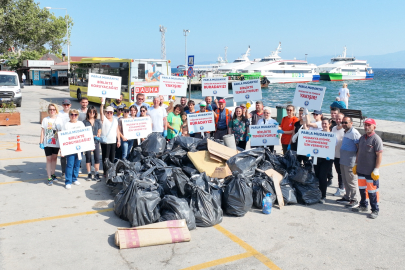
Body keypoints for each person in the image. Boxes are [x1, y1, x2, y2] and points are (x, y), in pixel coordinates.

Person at [352, 118, 383, 219]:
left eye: (369, 125)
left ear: (374, 126)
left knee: (372, 192)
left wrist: (376, 169)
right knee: (362, 190)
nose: (366, 127)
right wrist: (356, 164)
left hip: (371, 171)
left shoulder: (376, 139)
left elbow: (379, 155)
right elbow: (359, 152)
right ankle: (363, 205)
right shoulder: (362, 138)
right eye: (365, 125)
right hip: (361, 170)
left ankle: (375, 209)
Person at [336, 116, 361, 208]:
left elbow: (359, 148)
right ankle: (347, 197)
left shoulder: (354, 133)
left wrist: (357, 161)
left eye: (346, 122)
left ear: (351, 123)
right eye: (343, 122)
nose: (344, 124)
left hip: (350, 161)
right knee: (345, 180)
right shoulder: (345, 132)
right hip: (343, 160)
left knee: (351, 181)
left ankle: (354, 199)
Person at [39, 103, 63, 186]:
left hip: (56, 143)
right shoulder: (45, 119)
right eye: (50, 109)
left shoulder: (59, 120)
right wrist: (41, 142)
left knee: (54, 158)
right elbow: (43, 131)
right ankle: (49, 177)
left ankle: (53, 174)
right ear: (48, 110)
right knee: (48, 159)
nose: (52, 111)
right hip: (47, 143)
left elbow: (61, 132)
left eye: (53, 109)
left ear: (56, 110)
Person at [63, 109, 85, 189]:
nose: (73, 116)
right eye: (72, 114)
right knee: (70, 165)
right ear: (69, 115)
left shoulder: (81, 123)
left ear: (78, 116)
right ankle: (68, 181)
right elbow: (63, 138)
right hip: (70, 148)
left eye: (75, 115)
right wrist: (62, 149)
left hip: (79, 148)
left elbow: (84, 135)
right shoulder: (66, 125)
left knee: (77, 164)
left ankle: (74, 178)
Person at [314, 118, 334, 204]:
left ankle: (323, 195)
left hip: (327, 159)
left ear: (329, 124)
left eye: (326, 123)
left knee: (323, 176)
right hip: (317, 157)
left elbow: (334, 146)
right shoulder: (318, 133)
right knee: (317, 175)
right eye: (323, 123)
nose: (324, 125)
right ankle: (317, 193)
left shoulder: (333, 135)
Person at [100, 98, 121, 177]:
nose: (109, 114)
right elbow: (101, 112)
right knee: (105, 157)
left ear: (113, 113)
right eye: (108, 112)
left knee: (112, 157)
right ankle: (105, 172)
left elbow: (117, 131)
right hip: (105, 142)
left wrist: (118, 140)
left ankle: (111, 171)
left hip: (113, 141)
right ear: (105, 113)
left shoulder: (115, 120)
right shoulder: (104, 119)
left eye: (111, 112)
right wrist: (102, 103)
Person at [82, 106, 102, 181]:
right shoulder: (84, 122)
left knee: (97, 158)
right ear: (88, 113)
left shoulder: (97, 121)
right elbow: (83, 133)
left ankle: (96, 173)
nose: (92, 113)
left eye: (93, 112)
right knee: (88, 158)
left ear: (95, 113)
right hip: (87, 143)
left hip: (96, 142)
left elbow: (99, 130)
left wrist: (98, 134)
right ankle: (89, 174)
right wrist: (91, 136)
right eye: (90, 112)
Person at [331, 112, 345, 196]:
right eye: (336, 118)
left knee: (341, 173)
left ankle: (341, 188)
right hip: (335, 154)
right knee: (338, 172)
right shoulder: (334, 128)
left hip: (343, 155)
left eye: (340, 119)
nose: (338, 120)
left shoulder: (345, 130)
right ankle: (342, 187)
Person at [58, 99, 72, 178]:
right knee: (63, 155)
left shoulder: (73, 112)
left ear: (70, 105)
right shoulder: (59, 113)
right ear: (62, 105)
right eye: (64, 105)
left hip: (71, 136)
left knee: (72, 154)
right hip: (62, 135)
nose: (66, 106)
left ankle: (71, 171)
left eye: (68, 105)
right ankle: (63, 171)